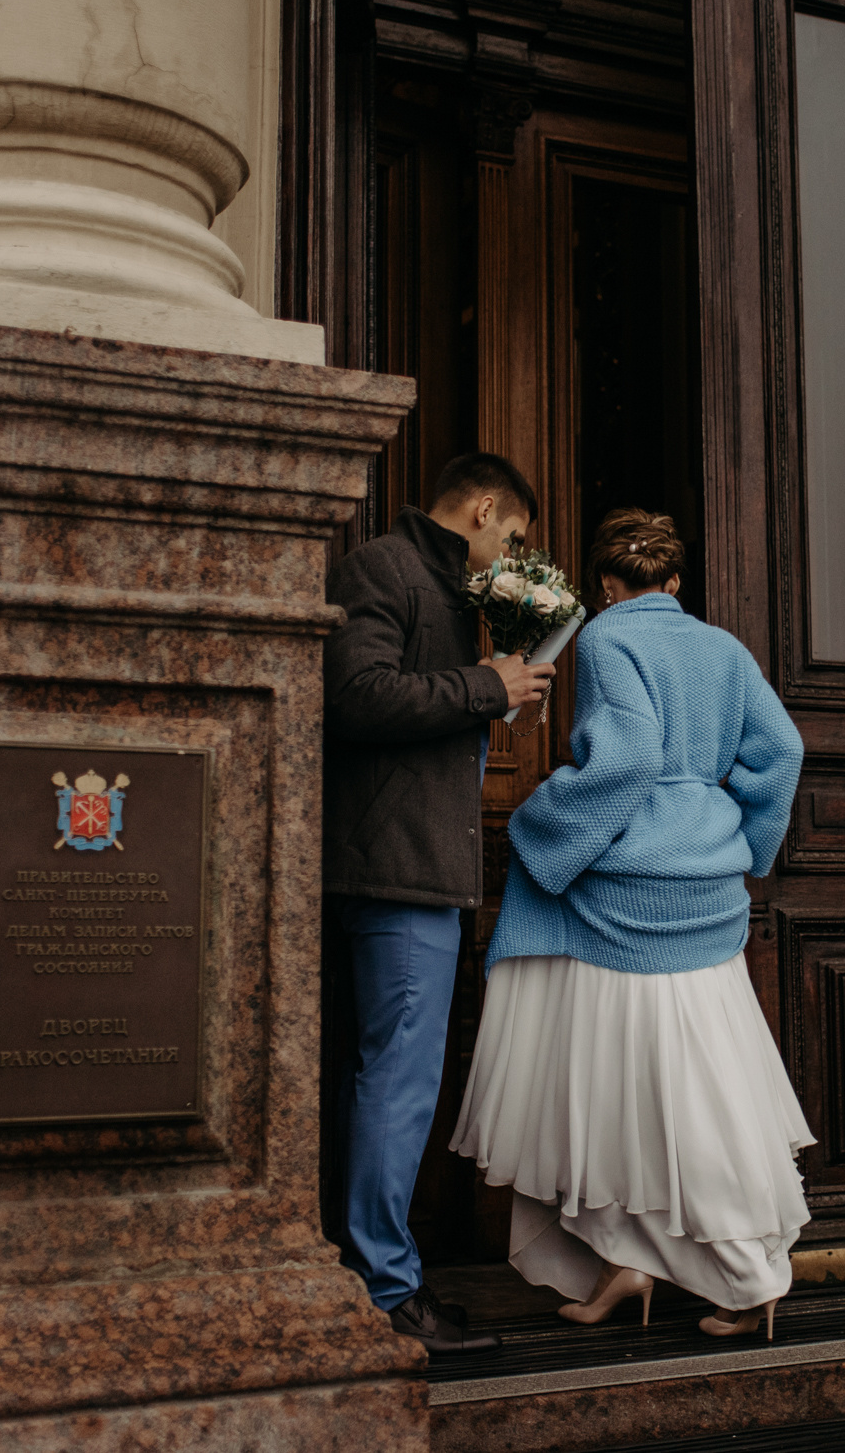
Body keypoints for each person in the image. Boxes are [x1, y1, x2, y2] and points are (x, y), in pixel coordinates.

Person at [450, 508, 811, 1340]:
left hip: (629, 893)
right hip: (706, 892)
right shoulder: (723, 647)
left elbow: (629, 759)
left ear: (608, 588)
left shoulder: (609, 639)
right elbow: (781, 749)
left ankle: (748, 1278)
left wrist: (545, 828)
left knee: (623, 1083)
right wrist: (745, 841)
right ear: (676, 582)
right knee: (673, 1085)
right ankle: (629, 1265)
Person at [321, 452, 556, 1355]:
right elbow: (353, 694)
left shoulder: (454, 592)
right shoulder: (386, 566)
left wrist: (497, 691)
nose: (513, 555)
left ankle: (371, 1276)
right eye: (516, 537)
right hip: (392, 876)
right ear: (487, 509)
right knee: (398, 1085)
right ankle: (385, 1291)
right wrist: (484, 687)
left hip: (412, 871)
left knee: (384, 1080)